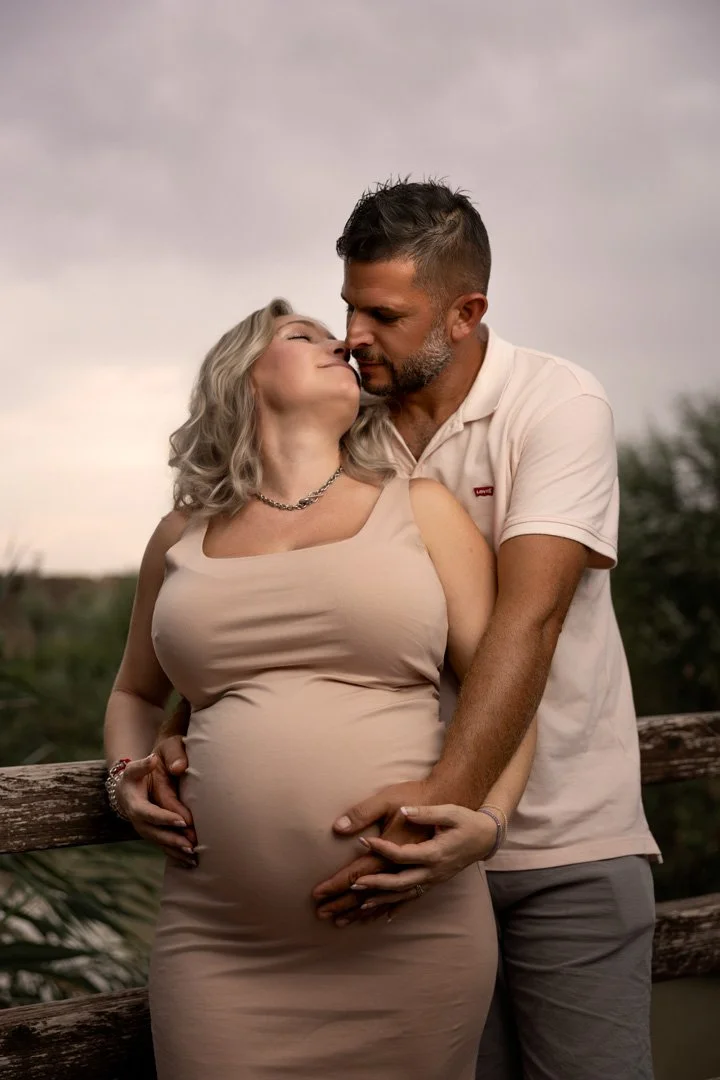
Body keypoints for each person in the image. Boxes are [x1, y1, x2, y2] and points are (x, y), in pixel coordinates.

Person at [151, 179, 660, 1080]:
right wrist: (183, 725)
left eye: (382, 314)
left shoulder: (556, 405)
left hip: (557, 838)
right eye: (348, 306)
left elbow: (530, 619)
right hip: (400, 887)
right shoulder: (357, 432)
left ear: (465, 313)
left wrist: (449, 818)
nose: (352, 335)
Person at [103, 298, 537, 1080]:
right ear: (243, 378)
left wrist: (489, 822)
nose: (339, 341)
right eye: (303, 336)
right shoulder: (180, 535)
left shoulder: (422, 509)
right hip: (220, 948)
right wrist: (122, 779)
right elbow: (136, 695)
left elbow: (507, 691)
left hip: (413, 939)